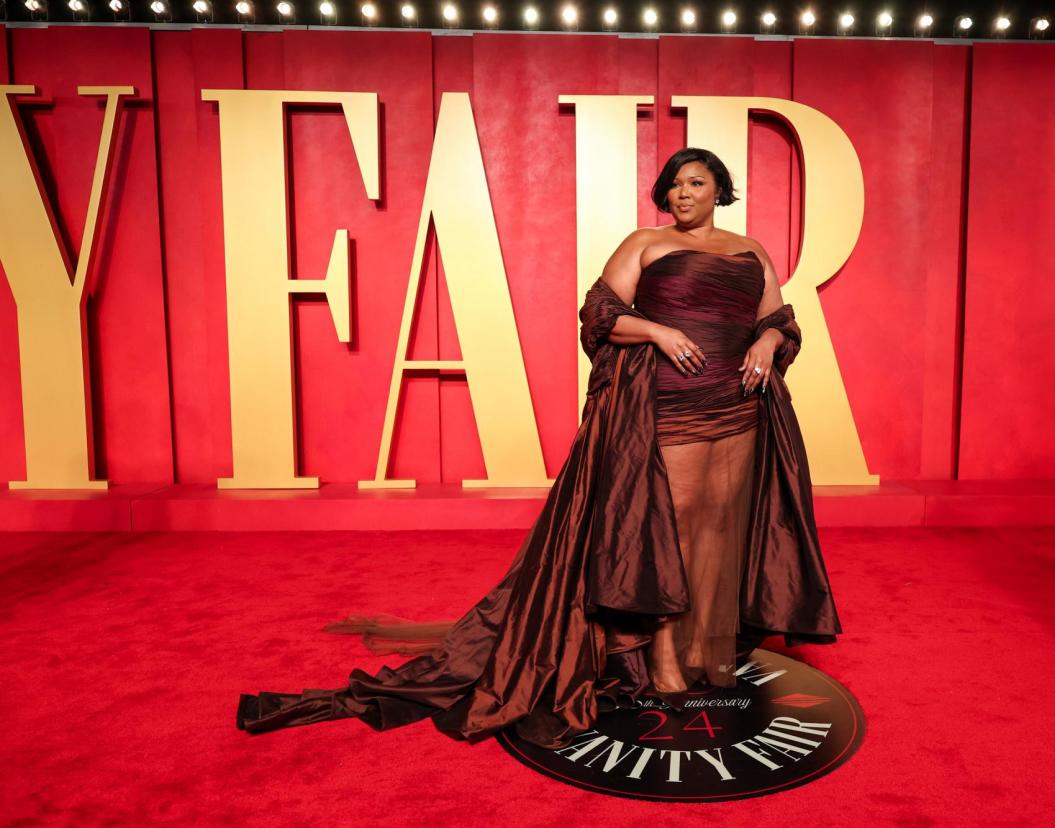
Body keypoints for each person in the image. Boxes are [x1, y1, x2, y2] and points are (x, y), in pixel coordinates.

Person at [236, 147, 841, 750]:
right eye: (673, 185)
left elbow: (780, 319)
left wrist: (766, 340)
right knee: (671, 531)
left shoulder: (752, 250)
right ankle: (661, 660)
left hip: (739, 406)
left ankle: (707, 651)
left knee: (720, 529)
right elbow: (598, 314)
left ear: (719, 189)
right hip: (667, 406)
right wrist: (657, 328)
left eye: (695, 183)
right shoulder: (644, 244)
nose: (682, 194)